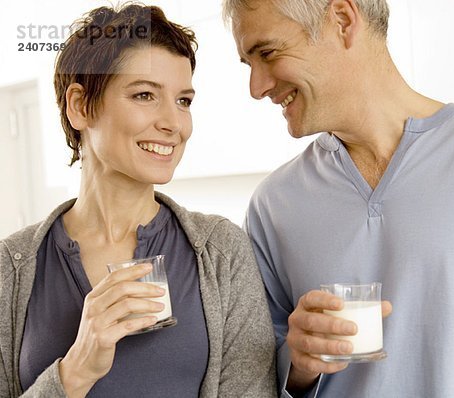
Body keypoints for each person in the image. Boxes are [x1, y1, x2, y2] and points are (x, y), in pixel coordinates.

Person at [222, 0, 454, 396]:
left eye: (267, 53)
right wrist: (297, 367)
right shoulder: (273, 206)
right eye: (249, 65)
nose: (257, 87)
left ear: (342, 20)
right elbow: (254, 379)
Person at [0, 4, 277, 397]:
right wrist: (74, 372)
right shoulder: (10, 270)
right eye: (145, 95)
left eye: (183, 101)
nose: (173, 123)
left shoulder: (222, 252)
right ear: (80, 106)